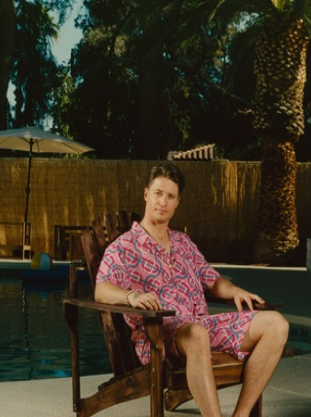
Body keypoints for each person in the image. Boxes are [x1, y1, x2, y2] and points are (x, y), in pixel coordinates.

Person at [94, 162, 289, 417]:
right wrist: (131, 296)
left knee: (277, 324)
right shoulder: (124, 247)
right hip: (160, 335)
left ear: (177, 202)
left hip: (201, 327)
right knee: (197, 334)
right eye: (158, 193)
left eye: (170, 196)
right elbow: (101, 289)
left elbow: (213, 280)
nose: (163, 202)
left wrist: (234, 291)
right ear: (146, 194)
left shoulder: (183, 242)